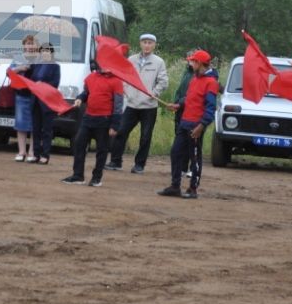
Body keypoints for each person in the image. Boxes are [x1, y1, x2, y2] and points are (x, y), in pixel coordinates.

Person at [159, 50, 218, 199]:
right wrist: (178, 105)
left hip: (195, 126)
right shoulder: (194, 79)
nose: (190, 64)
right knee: (175, 152)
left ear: (199, 63)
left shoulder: (211, 83)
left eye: (192, 61)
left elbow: (211, 107)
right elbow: (189, 98)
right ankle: (175, 186)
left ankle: (193, 189)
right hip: (184, 122)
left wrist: (202, 125)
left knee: (195, 157)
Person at [108, 32, 169, 173]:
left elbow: (164, 81)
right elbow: (124, 76)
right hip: (131, 104)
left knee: (145, 136)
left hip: (149, 106)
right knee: (121, 132)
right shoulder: (131, 59)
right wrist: (125, 90)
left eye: (150, 43)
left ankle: (139, 165)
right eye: (144, 42)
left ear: (154, 45)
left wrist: (154, 93)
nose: (147, 45)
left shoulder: (159, 62)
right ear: (140, 44)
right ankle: (115, 161)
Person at [61, 59, 123, 187]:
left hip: (104, 120)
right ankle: (78, 175)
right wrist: (79, 99)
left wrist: (115, 125)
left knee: (102, 149)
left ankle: (96, 178)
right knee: (78, 144)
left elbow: (118, 105)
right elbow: (86, 93)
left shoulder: (116, 81)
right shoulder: (91, 77)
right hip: (88, 117)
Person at [27, 42, 61, 165]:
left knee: (47, 130)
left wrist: (42, 85)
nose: (45, 53)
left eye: (47, 51)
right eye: (43, 51)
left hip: (47, 102)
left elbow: (55, 83)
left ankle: (45, 155)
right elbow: (30, 80)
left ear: (51, 53)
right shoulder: (37, 65)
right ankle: (36, 154)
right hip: (35, 100)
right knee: (35, 129)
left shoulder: (55, 66)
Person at [9, 34, 39, 162]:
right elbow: (8, 72)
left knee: (35, 124)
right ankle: (21, 151)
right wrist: (19, 68)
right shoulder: (18, 58)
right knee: (20, 124)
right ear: (24, 45)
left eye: (32, 43)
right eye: (27, 43)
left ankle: (32, 151)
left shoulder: (40, 59)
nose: (30, 46)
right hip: (21, 94)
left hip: (35, 95)